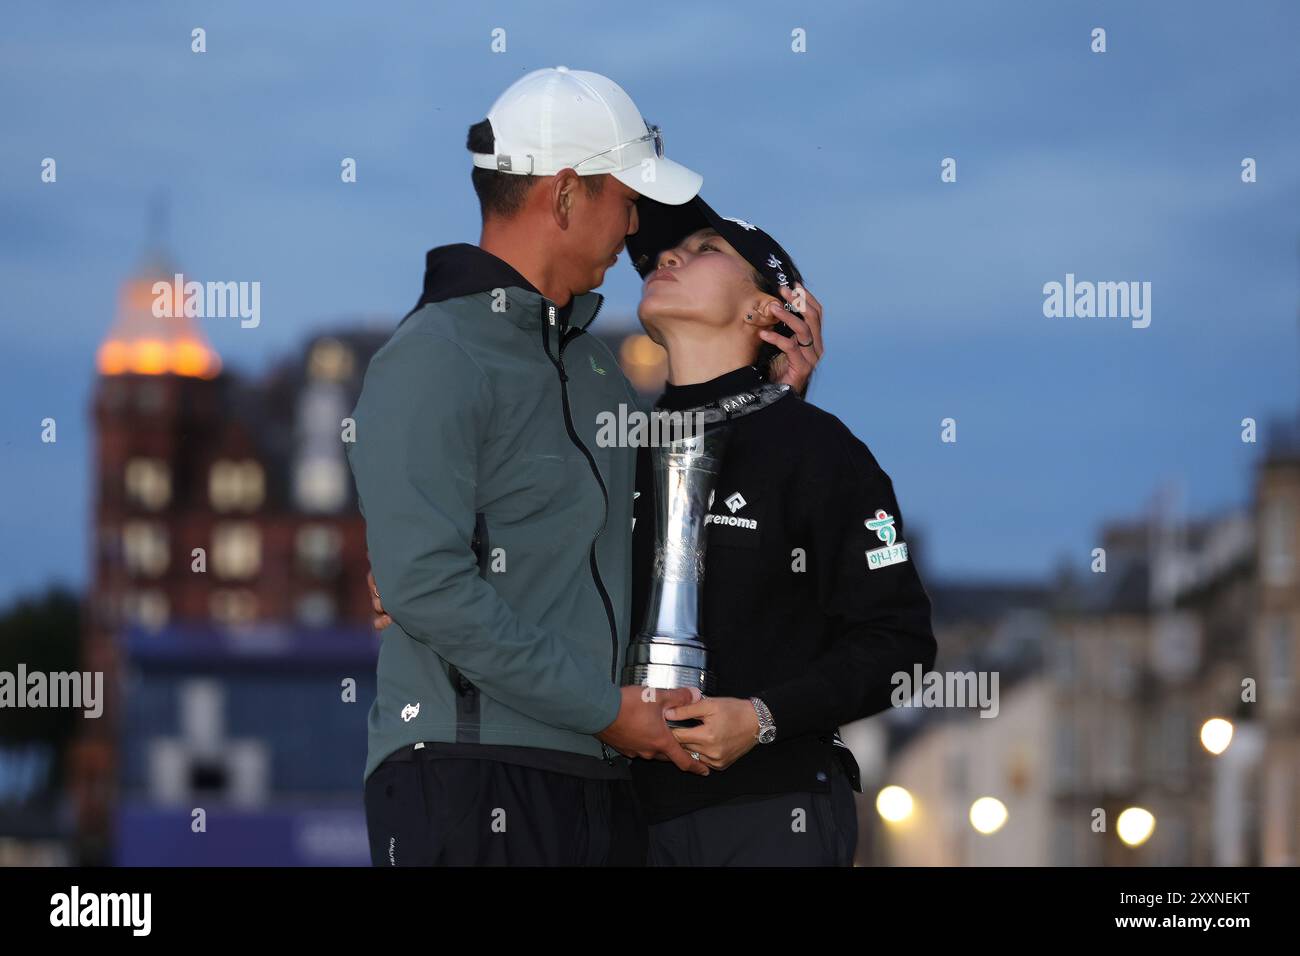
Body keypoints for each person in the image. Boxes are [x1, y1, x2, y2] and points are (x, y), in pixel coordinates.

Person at [347, 67, 824, 866]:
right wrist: (605, 710)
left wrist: (779, 397)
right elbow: (425, 584)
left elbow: (676, 527)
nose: (635, 219)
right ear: (565, 196)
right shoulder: (433, 356)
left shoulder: (595, 371)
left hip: (595, 779)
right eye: (625, 195)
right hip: (468, 773)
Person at [618, 195, 938, 865]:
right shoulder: (608, 450)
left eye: (706, 249)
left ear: (767, 309)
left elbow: (898, 642)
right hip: (610, 815)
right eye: (663, 254)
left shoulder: (822, 453)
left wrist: (763, 717)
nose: (669, 257)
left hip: (770, 810)